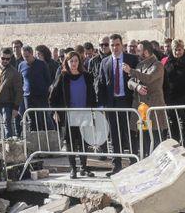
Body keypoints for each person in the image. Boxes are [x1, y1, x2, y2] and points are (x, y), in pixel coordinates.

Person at [48, 49, 98, 178]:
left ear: (79, 62)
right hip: (69, 115)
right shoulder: (63, 76)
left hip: (84, 114)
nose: (74, 63)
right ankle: (73, 169)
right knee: (70, 143)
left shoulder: (86, 76)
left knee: (83, 142)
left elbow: (92, 95)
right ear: (67, 62)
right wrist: (55, 111)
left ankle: (84, 167)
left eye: (76, 61)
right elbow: (53, 96)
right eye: (71, 61)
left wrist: (94, 111)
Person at [95, 33, 138, 172]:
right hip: (111, 103)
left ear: (122, 45)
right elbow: (101, 84)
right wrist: (101, 104)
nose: (114, 48)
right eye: (112, 45)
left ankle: (133, 162)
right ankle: (116, 165)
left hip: (128, 102)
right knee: (114, 135)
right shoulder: (105, 62)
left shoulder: (132, 59)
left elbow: (138, 78)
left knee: (129, 133)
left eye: (117, 44)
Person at [125, 40, 166, 154]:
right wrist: (137, 86)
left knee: (155, 138)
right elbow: (130, 82)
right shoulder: (140, 65)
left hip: (154, 109)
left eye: (139, 50)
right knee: (144, 138)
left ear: (146, 52)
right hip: (141, 109)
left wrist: (131, 71)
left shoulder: (158, 65)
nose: (136, 52)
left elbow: (149, 78)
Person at [162, 39, 185, 151]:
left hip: (184, 95)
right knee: (172, 121)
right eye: (175, 50)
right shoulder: (167, 61)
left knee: (184, 121)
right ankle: (175, 142)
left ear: (183, 49)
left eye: (179, 50)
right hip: (170, 96)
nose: (177, 52)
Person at [19, 45, 52, 135]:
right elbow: (20, 81)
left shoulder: (41, 64)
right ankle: (34, 138)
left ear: (32, 54)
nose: (25, 58)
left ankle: (45, 138)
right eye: (23, 56)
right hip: (27, 96)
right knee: (31, 118)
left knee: (42, 118)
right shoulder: (21, 65)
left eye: (27, 56)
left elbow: (48, 79)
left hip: (41, 96)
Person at [0, 48, 23, 138]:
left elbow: (19, 91)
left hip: (7, 104)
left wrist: (16, 107)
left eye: (7, 59)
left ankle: (8, 146)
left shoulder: (14, 73)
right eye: (3, 58)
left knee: (7, 126)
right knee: (0, 126)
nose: (5, 61)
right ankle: (3, 146)